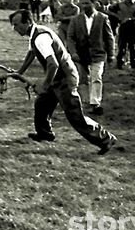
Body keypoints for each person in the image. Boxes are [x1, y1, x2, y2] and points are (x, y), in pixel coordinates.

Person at [9, 9, 117, 155]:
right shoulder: (35, 34)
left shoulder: (40, 37)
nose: (14, 29)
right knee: (41, 104)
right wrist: (19, 72)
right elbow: (32, 53)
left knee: (74, 115)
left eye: (16, 25)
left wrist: (45, 85)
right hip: (57, 77)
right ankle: (45, 134)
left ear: (27, 22)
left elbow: (53, 64)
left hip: (65, 78)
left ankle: (105, 139)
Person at [66, 0, 115, 115]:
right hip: (81, 54)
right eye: (82, 3)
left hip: (98, 53)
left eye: (87, 3)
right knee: (82, 79)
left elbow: (109, 37)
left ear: (94, 3)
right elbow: (70, 38)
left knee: (96, 77)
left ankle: (95, 103)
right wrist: (73, 52)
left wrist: (111, 54)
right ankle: (84, 101)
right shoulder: (75, 20)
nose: (84, 6)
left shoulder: (102, 18)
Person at [108, 0, 135, 69]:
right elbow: (109, 10)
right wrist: (118, 17)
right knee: (122, 45)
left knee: (133, 46)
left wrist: (132, 18)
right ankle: (119, 63)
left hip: (133, 25)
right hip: (123, 25)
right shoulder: (119, 4)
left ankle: (133, 63)